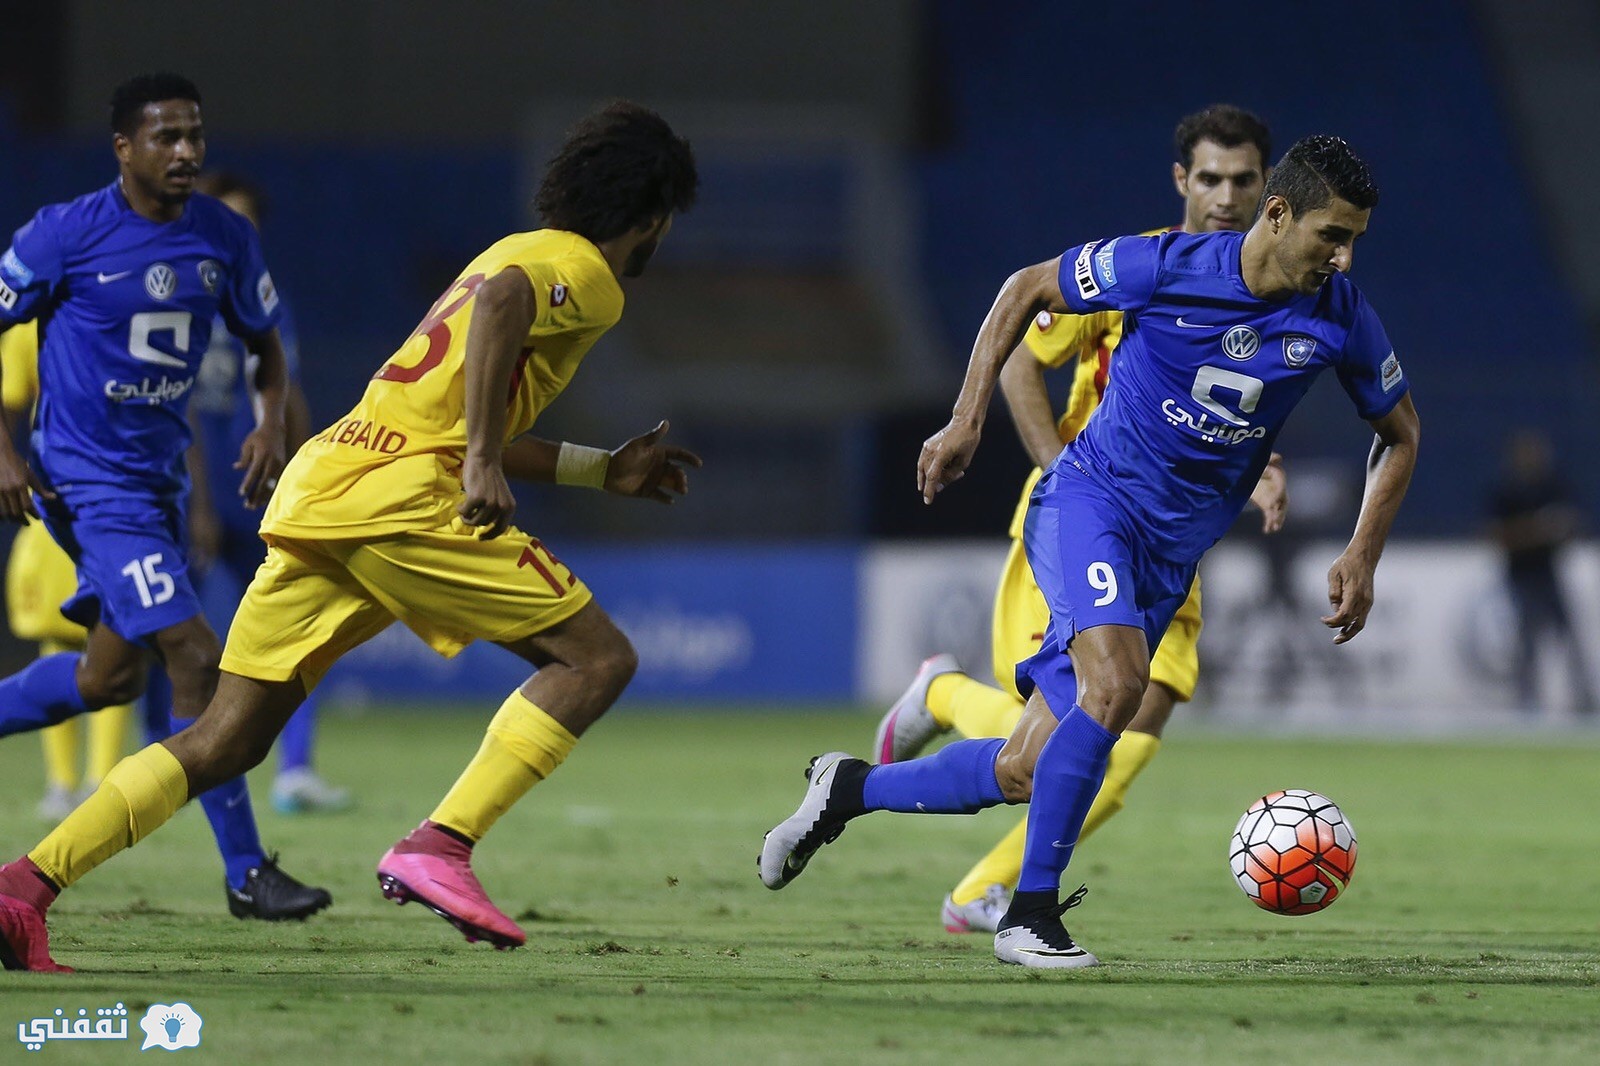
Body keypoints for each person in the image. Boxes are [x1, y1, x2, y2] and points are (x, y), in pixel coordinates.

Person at [0, 99, 701, 972]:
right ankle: (439, 846)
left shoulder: (504, 255)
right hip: (405, 498)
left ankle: (23, 887)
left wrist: (601, 468)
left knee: (226, 738)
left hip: (332, 482)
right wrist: (480, 458)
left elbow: (459, 387)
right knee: (597, 661)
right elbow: (502, 329)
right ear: (650, 212)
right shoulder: (579, 272)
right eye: (667, 221)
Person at [761, 135, 1419, 970]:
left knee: (1027, 767)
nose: (1344, 254)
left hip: (1171, 556)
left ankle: (846, 790)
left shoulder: (1342, 317)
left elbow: (1400, 435)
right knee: (1119, 689)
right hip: (1090, 501)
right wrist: (968, 418)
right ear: (1279, 214)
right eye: (1332, 233)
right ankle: (1028, 916)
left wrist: (1364, 551)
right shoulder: (1165, 265)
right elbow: (1025, 287)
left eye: (1355, 236)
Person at [870, 105, 1289, 935]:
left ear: (1267, 189)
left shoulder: (1274, 292)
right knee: (1089, 725)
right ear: (1182, 181)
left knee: (1137, 720)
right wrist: (1058, 472)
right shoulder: (1138, 266)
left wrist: (1256, 474)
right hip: (1085, 519)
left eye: (1244, 180)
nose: (1225, 196)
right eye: (1210, 177)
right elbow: (1026, 361)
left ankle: (979, 887)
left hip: (1168, 536)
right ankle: (948, 705)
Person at [0, 74, 331, 927]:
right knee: (194, 655)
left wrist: (266, 424)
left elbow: (265, 344)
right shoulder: (63, 235)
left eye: (194, 135)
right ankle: (248, 872)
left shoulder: (223, 236)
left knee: (106, 678)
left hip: (161, 487)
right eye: (166, 138)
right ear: (124, 148)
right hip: (87, 484)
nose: (186, 152)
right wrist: (2, 452)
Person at [180, 170, 351, 812]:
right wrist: (196, 502)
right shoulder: (182, 296)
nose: (241, 231)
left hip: (262, 486)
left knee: (304, 622)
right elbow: (185, 409)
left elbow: (290, 392)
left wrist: (307, 478)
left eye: (249, 220)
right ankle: (173, 761)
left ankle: (296, 769)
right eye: (230, 217)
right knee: (182, 639)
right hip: (198, 489)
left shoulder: (266, 298)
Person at [1, 322, 138, 821]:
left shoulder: (129, 307)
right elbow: (11, 402)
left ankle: (103, 779)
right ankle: (62, 782)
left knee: (121, 634)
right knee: (60, 633)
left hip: (125, 491)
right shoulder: (29, 321)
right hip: (57, 491)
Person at [1489, 429, 1596, 714]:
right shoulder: (1507, 492)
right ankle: (1527, 701)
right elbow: (1497, 535)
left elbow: (1575, 523)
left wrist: (1563, 529)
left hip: (1550, 574)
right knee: (1528, 640)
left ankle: (1584, 699)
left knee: (1570, 636)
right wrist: (1538, 529)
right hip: (1521, 575)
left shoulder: (1553, 486)